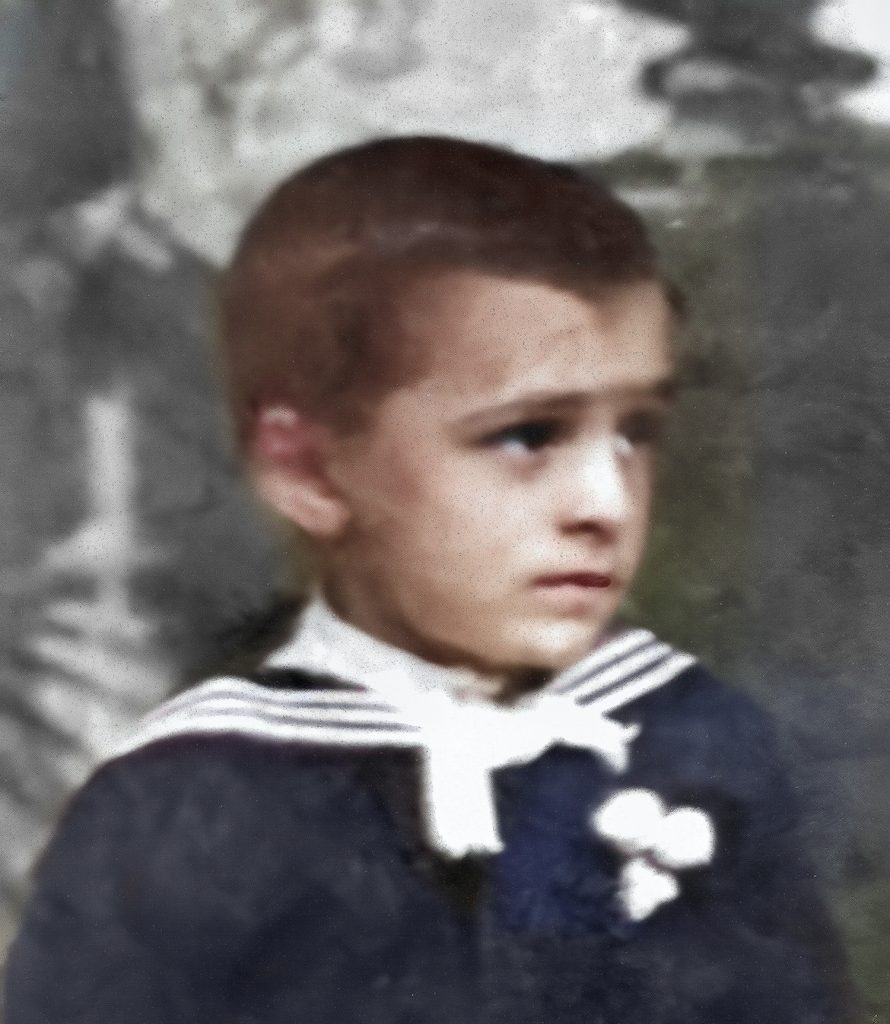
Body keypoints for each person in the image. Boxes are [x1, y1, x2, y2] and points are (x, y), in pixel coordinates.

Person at [4, 136, 853, 1023]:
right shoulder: (189, 798)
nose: (607, 502)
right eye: (528, 435)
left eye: (636, 431)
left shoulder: (695, 738)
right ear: (311, 472)